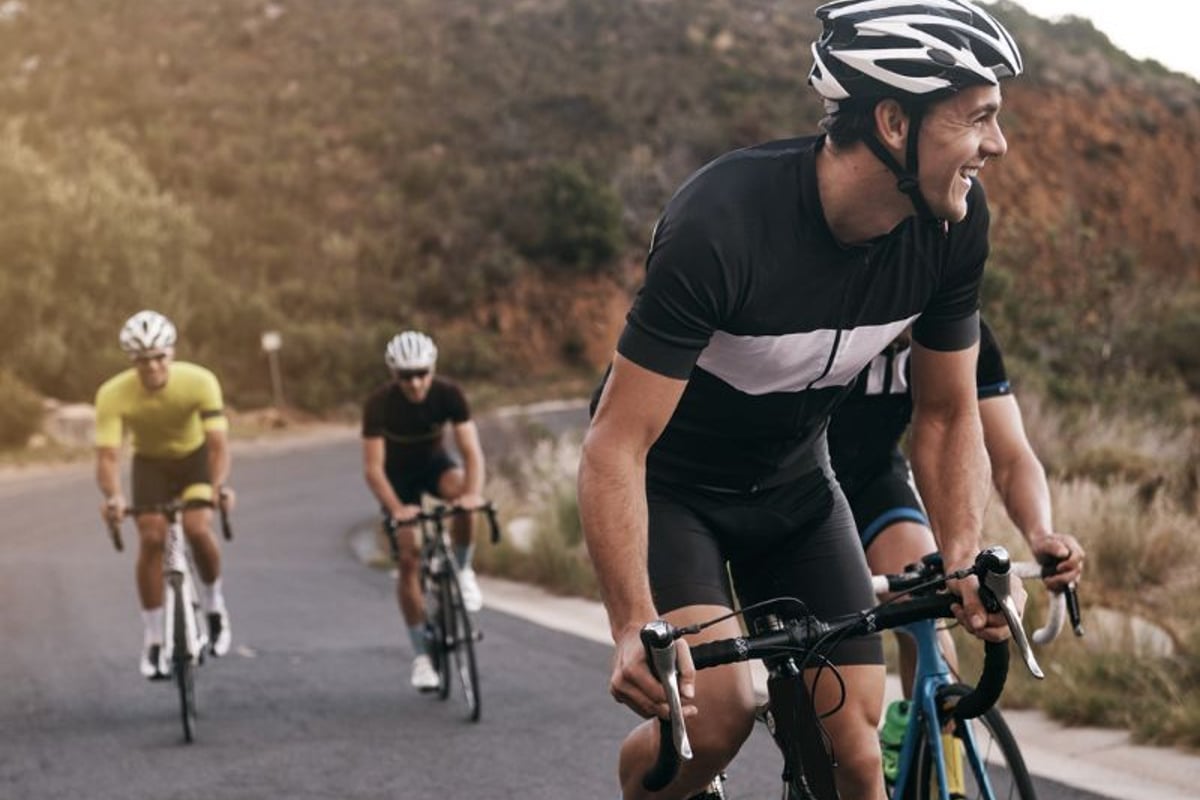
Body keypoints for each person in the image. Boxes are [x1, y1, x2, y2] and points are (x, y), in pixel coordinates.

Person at [577, 1, 1026, 797]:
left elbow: (948, 413)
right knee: (715, 715)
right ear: (894, 121)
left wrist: (962, 557)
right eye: (977, 119)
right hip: (676, 492)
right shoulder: (722, 223)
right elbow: (616, 442)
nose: (997, 144)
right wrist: (630, 627)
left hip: (795, 491)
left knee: (855, 759)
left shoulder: (953, 225)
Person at [828, 319, 1085, 699]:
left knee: (926, 604)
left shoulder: (955, 328)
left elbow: (1012, 457)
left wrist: (1041, 533)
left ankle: (926, 740)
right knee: (833, 683)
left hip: (872, 479)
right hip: (793, 481)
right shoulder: (831, 315)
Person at [95, 310, 236, 679]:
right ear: (132, 361)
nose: (152, 367)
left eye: (159, 357)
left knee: (197, 527)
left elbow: (218, 445)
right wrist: (114, 496)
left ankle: (213, 605)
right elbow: (108, 456)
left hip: (195, 460)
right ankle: (155, 638)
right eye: (143, 360)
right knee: (153, 538)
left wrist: (218, 488)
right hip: (150, 464)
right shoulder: (113, 393)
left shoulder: (200, 381)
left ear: (171, 353)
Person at [361, 330, 486, 692]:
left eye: (421, 373)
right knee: (409, 557)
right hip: (397, 481)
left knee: (463, 497)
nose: (414, 383)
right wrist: (397, 509)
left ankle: (462, 570)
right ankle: (421, 658)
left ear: (432, 369)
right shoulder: (379, 404)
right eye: (405, 375)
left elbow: (471, 452)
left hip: (435, 467)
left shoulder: (449, 394)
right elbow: (372, 468)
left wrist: (472, 496)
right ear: (392, 374)